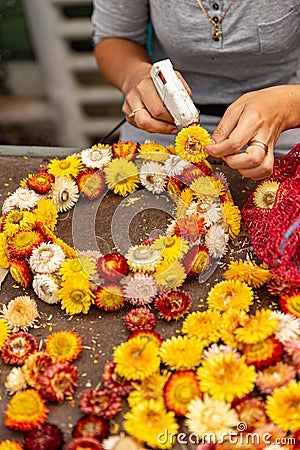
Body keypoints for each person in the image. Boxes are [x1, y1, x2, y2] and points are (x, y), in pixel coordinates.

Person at [91, 0, 300, 179]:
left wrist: (287, 106)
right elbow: (115, 36)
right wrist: (135, 76)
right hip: (162, 128)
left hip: (285, 132)